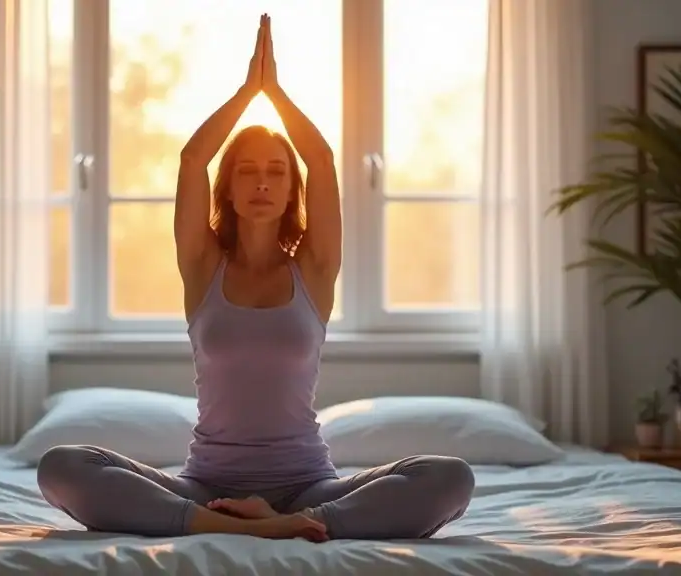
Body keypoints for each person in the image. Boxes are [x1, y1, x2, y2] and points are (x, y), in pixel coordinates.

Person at [37, 14, 474, 543]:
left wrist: (277, 95)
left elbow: (321, 157)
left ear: (294, 190)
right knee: (61, 464)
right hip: (204, 485)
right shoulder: (202, 266)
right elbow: (193, 157)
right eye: (247, 169)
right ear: (229, 186)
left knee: (451, 477)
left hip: (308, 484)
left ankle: (291, 520)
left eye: (276, 172)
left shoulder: (314, 269)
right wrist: (249, 93)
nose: (262, 183)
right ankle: (230, 522)